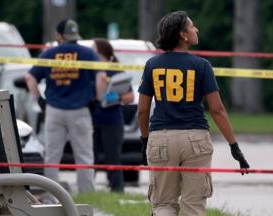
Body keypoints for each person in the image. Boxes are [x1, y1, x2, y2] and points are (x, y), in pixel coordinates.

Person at [137, 11, 250, 216]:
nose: (196, 29)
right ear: (183, 35)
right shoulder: (201, 65)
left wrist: (145, 140)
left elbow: (143, 109)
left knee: (163, 204)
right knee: (194, 205)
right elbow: (217, 109)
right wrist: (234, 146)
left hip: (161, 138)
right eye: (192, 26)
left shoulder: (152, 65)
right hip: (195, 141)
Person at [25, 19, 102, 193]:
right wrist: (97, 100)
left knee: (52, 156)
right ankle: (87, 196)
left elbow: (30, 78)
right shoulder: (87, 53)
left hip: (54, 110)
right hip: (81, 110)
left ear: (59, 35)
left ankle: (52, 197)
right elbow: (102, 77)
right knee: (84, 156)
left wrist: (40, 100)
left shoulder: (49, 53)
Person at [92, 38, 134, 192]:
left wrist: (118, 98)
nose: (91, 52)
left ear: (101, 52)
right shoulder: (89, 69)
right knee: (90, 157)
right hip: (92, 119)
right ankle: (88, 189)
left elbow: (131, 97)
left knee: (113, 157)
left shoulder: (116, 70)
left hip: (112, 119)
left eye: (93, 49)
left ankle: (117, 189)